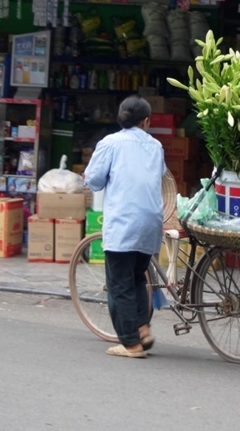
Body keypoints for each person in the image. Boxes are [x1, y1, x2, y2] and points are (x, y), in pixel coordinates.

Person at [83, 95, 166, 358]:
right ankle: (143, 329)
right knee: (137, 278)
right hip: (151, 221)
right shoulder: (155, 145)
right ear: (145, 121)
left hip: (124, 222)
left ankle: (131, 344)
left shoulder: (110, 143)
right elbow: (160, 175)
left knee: (119, 284)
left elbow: (94, 180)